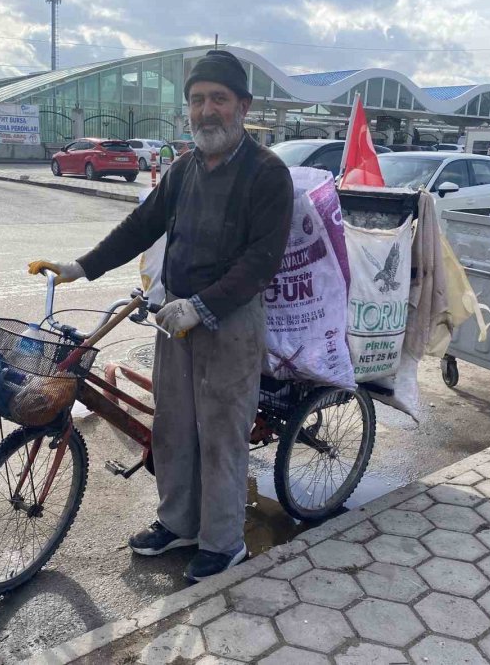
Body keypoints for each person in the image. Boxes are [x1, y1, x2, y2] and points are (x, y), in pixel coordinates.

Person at [29, 50, 293, 582]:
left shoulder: (267, 173)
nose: (206, 110)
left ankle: (222, 543)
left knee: (221, 434)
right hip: (174, 318)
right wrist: (80, 266)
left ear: (242, 105)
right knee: (173, 428)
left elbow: (259, 263)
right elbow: (138, 227)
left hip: (229, 321)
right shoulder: (183, 169)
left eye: (218, 98)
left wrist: (202, 306)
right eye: (197, 100)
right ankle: (179, 523)